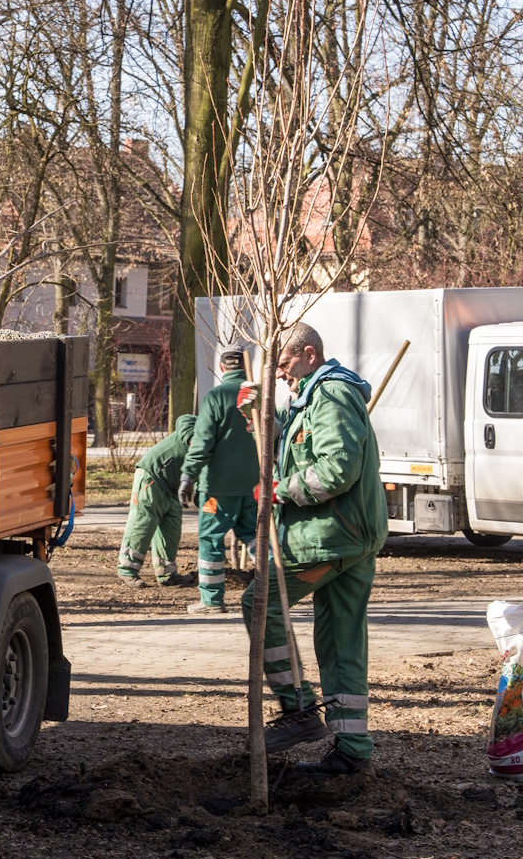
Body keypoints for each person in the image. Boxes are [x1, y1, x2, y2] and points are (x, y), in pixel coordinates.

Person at [241, 322, 386, 777]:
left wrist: (281, 491)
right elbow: (303, 446)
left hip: (333, 535)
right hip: (347, 535)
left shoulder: (331, 395)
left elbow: (337, 468)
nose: (281, 375)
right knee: (340, 639)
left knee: (260, 603)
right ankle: (352, 750)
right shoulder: (312, 397)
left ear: (308, 354)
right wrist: (261, 419)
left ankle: (299, 711)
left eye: (284, 366)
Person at [179, 347, 260, 615]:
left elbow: (202, 442)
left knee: (211, 539)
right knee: (255, 538)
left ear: (222, 368)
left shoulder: (216, 396)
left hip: (217, 488)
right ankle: (271, 590)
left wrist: (188, 475)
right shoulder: (259, 395)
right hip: (254, 485)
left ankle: (212, 601)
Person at [116, 414, 197, 587]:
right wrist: (194, 440)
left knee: (171, 531)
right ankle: (127, 570)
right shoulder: (203, 423)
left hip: (174, 488)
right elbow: (183, 420)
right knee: (143, 523)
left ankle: (167, 574)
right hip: (154, 475)